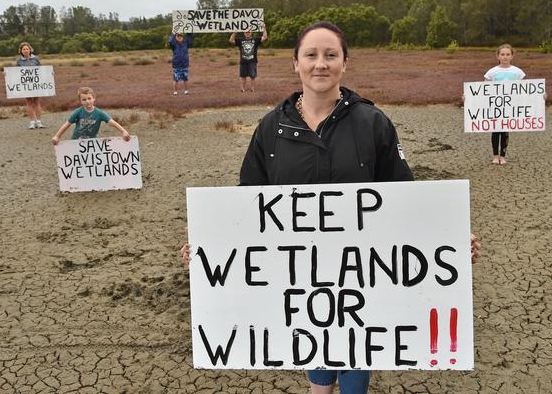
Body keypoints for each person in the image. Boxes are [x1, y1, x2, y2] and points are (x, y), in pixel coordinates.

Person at [182, 21, 481, 393]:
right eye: (310, 55)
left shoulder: (372, 122)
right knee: (317, 360)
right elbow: (247, 201)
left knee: (356, 352)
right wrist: (209, 247)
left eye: (330, 55)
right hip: (299, 276)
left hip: (360, 276)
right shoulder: (271, 127)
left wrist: (449, 240)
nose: (320, 64)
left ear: (345, 63)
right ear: (296, 64)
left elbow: (405, 196)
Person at [484, 44, 525, 165]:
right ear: (498, 56)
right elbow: (482, 90)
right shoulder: (492, 72)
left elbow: (526, 89)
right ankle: (495, 156)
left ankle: (503, 156)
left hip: (510, 107)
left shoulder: (518, 72)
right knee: (495, 131)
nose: (505, 57)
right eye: (502, 54)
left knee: (505, 131)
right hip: (496, 107)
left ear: (512, 56)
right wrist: (468, 98)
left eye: (508, 54)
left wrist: (540, 96)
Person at [51, 86, 130, 144]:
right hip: (76, 141)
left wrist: (124, 131)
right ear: (80, 101)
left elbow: (112, 122)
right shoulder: (78, 112)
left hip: (92, 143)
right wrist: (57, 136)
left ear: (94, 98)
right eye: (84, 99)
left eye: (89, 98)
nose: (87, 101)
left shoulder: (99, 113)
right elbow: (67, 125)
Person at [15, 42, 47, 129]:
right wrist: (6, 74)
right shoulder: (19, 61)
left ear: (30, 50)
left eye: (27, 49)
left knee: (36, 101)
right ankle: (32, 122)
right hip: (26, 85)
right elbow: (15, 73)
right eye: (24, 49)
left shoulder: (35, 59)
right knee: (29, 102)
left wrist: (50, 73)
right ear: (21, 51)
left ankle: (39, 122)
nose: (25, 50)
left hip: (36, 84)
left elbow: (42, 70)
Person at [229, 22, 268, 93]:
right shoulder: (240, 40)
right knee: (242, 76)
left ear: (251, 32)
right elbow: (231, 40)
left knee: (253, 76)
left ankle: (252, 89)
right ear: (244, 33)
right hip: (243, 61)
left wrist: (264, 28)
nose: (247, 33)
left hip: (252, 61)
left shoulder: (255, 40)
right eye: (246, 32)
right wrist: (234, 33)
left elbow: (264, 37)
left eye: (249, 32)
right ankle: (242, 89)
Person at [168, 31, 193, 96]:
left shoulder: (186, 43)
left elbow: (189, 38)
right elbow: (170, 41)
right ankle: (175, 92)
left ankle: (186, 91)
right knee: (176, 80)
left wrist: (189, 31)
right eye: (178, 36)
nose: (179, 37)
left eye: (180, 36)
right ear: (176, 38)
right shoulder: (174, 45)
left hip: (184, 65)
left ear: (182, 37)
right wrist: (173, 33)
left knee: (185, 79)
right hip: (176, 65)